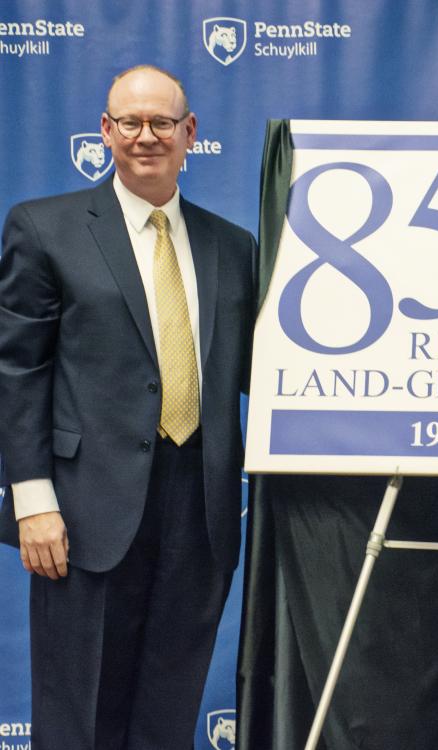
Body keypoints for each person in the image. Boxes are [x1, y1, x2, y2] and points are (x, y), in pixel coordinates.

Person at [0, 65, 256, 748]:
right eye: (131, 123)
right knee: (78, 711)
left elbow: (266, 373)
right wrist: (32, 499)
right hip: (83, 513)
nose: (147, 137)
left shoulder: (235, 249)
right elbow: (18, 369)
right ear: (107, 131)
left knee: (167, 713)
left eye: (162, 123)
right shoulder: (44, 227)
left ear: (189, 133)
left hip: (200, 513)